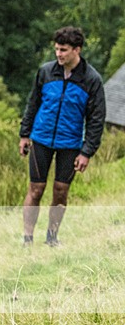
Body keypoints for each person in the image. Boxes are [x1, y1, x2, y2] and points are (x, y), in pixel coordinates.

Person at [19, 26, 106, 246]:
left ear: (77, 50)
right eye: (57, 49)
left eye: (64, 50)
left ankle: (52, 238)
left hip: (70, 143)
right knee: (36, 189)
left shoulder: (91, 79)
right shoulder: (46, 72)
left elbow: (96, 119)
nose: (58, 54)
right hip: (41, 139)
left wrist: (87, 152)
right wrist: (24, 134)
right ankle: (27, 239)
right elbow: (33, 104)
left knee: (60, 191)